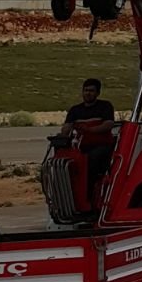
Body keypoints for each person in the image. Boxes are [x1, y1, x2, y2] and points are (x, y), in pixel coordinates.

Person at [60, 77, 118, 206]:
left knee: (91, 161)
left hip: (102, 146)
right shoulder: (75, 110)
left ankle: (89, 197)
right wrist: (63, 135)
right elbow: (67, 127)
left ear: (98, 93)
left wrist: (90, 130)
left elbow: (108, 125)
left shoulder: (105, 106)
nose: (88, 93)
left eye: (91, 91)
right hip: (81, 146)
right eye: (86, 90)